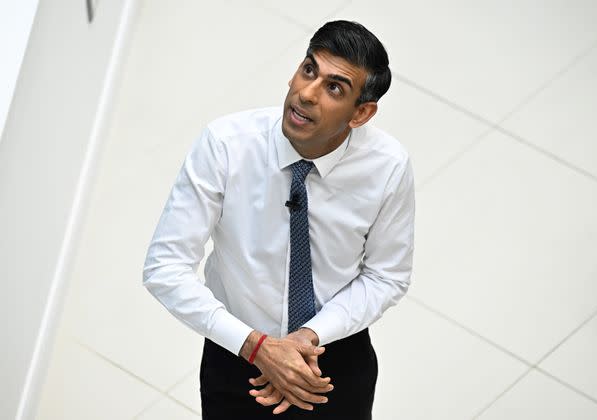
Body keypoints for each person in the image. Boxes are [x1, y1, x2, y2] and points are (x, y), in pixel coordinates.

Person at [142, 20, 415, 419]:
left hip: (333, 356)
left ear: (362, 113)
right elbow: (164, 268)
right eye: (309, 70)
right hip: (238, 357)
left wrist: (309, 336)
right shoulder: (226, 145)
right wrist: (258, 347)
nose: (305, 94)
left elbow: (387, 275)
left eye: (333, 87)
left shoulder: (387, 167)